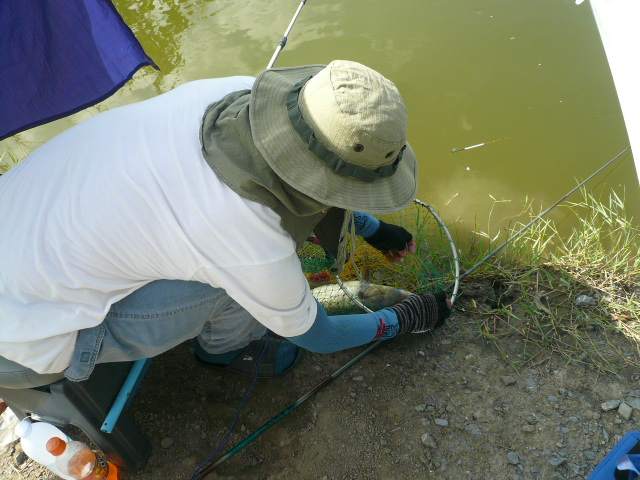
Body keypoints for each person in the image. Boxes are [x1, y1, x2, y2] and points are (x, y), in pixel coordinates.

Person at [0, 60, 451, 381]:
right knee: (231, 287)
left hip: (21, 236)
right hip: (23, 341)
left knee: (221, 264)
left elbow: (308, 178)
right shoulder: (247, 240)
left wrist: (373, 229)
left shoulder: (236, 94)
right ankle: (225, 351)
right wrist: (400, 320)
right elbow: (320, 336)